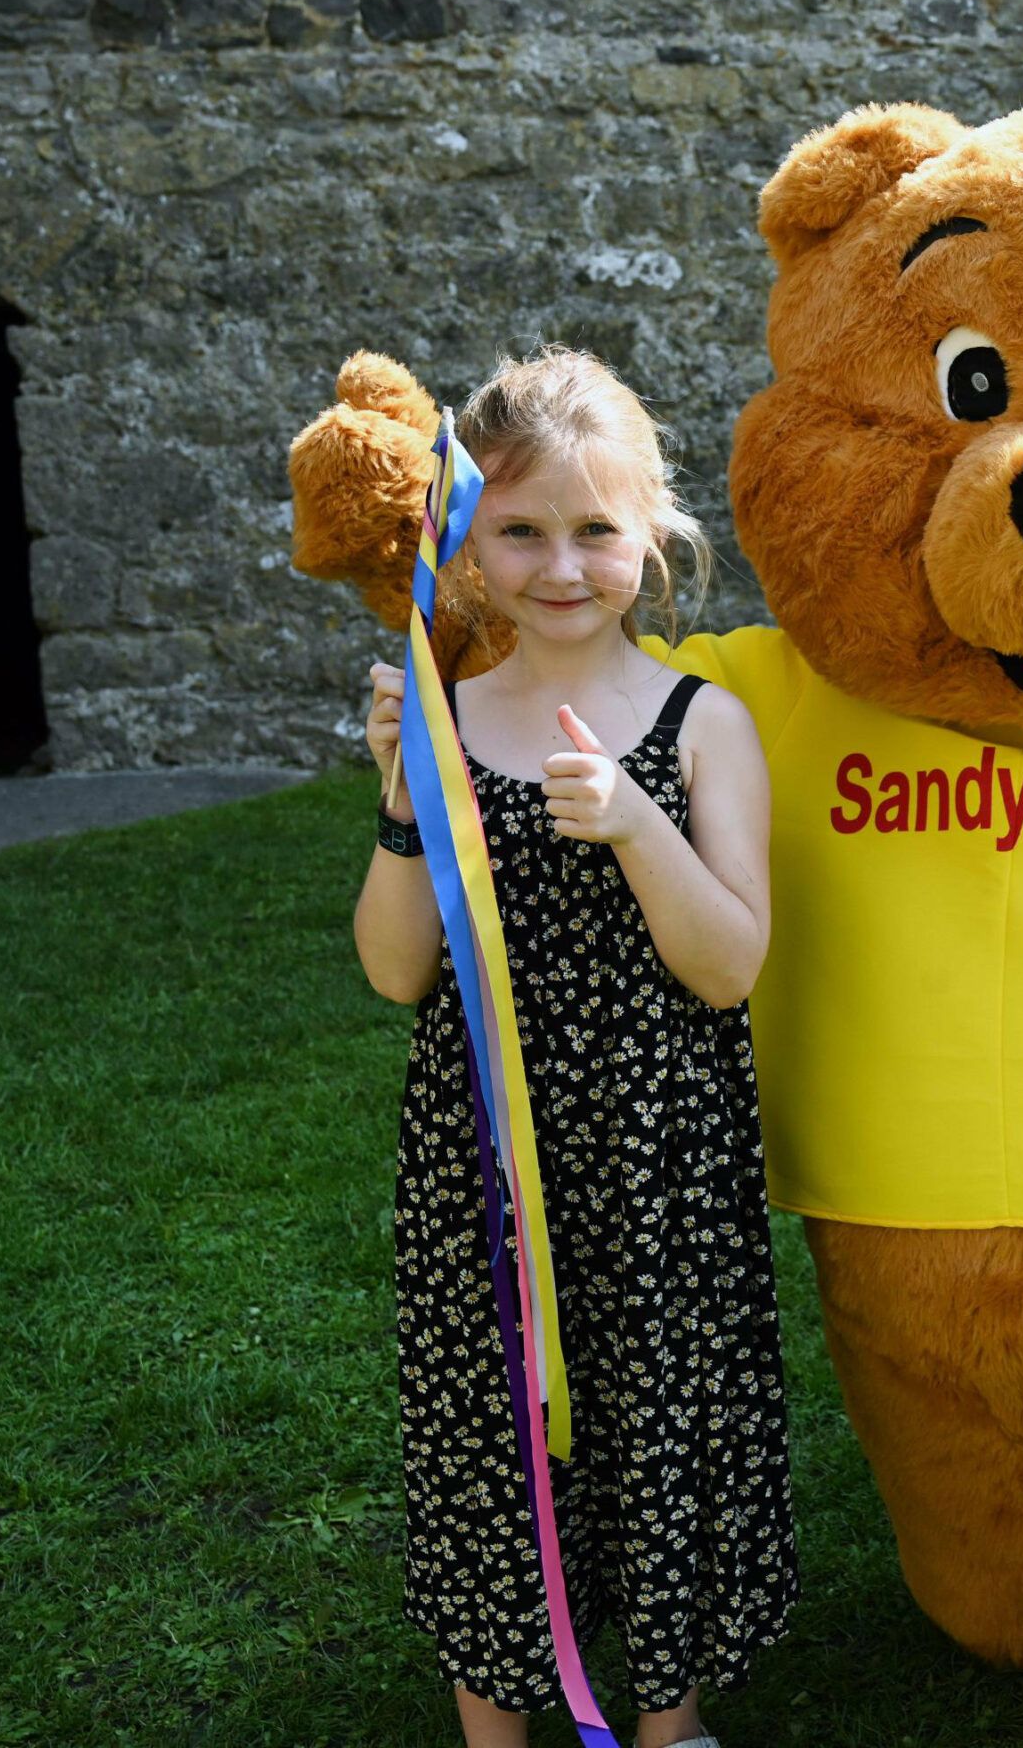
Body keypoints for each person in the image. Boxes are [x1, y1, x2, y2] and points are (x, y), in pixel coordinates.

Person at [354, 347, 796, 1748]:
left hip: (656, 1146)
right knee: (491, 1418)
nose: (561, 565)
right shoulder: (442, 721)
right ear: (467, 545)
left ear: (653, 533)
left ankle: (665, 1717)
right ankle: (497, 1719)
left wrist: (634, 823)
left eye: (596, 530)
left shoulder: (700, 724)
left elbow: (729, 969)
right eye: (522, 531)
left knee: (659, 1413)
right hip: (483, 1149)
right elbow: (392, 967)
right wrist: (400, 802)